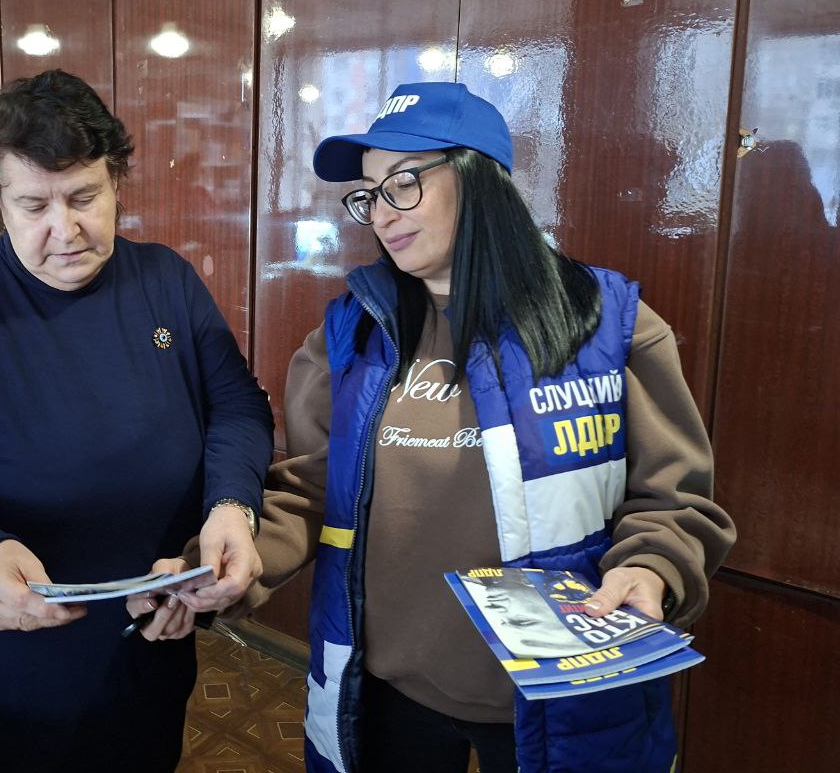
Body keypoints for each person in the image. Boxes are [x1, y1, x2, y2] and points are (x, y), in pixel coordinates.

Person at [181, 82, 736, 773]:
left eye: (404, 184)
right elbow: (311, 494)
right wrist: (237, 565)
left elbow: (675, 502)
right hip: (384, 692)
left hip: (557, 702)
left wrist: (653, 568)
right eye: (370, 194)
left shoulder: (603, 325)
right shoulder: (350, 338)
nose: (382, 213)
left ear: (479, 179)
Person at [0, 70, 273, 772]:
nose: (65, 229)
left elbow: (236, 405)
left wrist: (232, 508)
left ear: (116, 185)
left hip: (144, 657)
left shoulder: (165, 282)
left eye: (84, 197)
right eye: (33, 206)